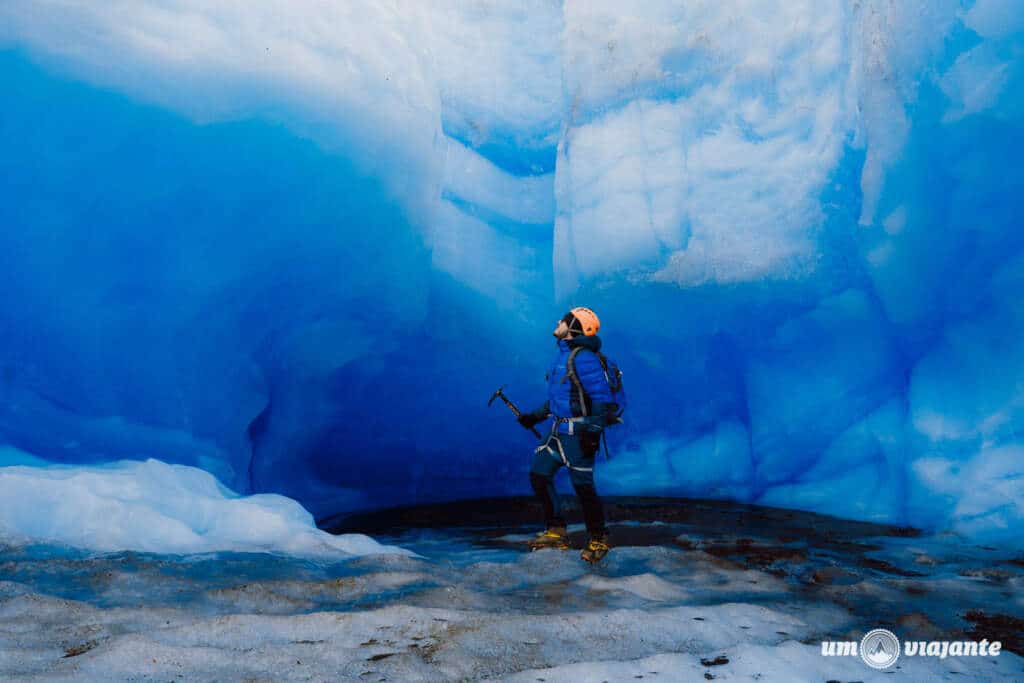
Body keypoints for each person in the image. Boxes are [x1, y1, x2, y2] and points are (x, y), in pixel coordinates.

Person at [517, 307, 618, 563]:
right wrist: (534, 416)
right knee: (539, 475)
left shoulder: (584, 358)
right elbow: (558, 399)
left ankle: (598, 538)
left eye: (564, 319)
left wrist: (593, 433)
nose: (558, 321)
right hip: (557, 431)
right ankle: (556, 531)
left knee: (583, 487)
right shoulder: (563, 355)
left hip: (578, 433)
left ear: (573, 328)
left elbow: (602, 399)